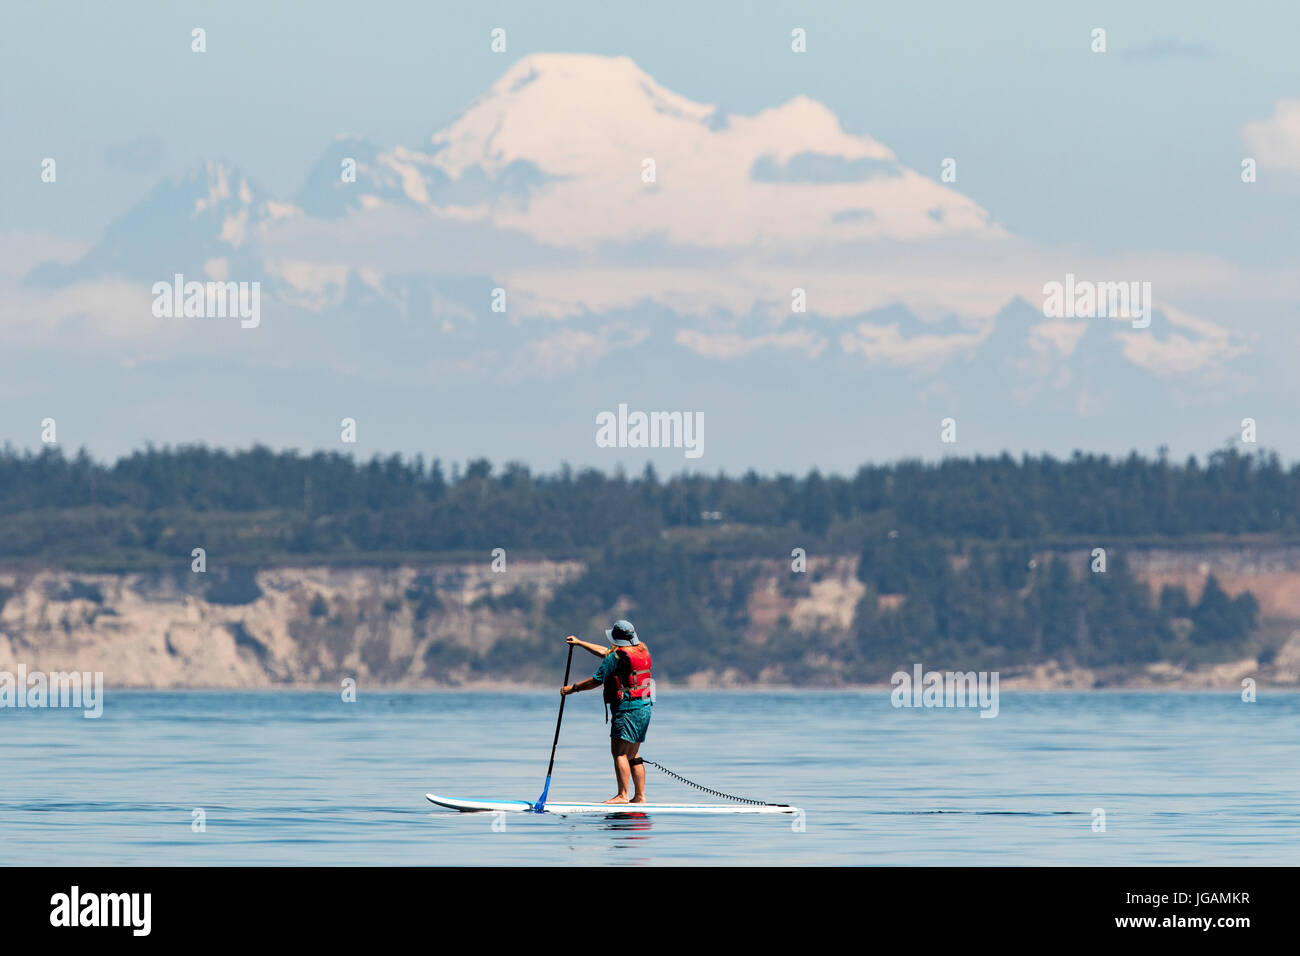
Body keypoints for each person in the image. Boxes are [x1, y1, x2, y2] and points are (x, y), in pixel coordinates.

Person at [560, 619, 653, 804]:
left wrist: (573, 688)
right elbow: (605, 652)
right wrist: (580, 643)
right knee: (633, 755)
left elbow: (597, 680)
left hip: (626, 709)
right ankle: (640, 796)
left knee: (619, 753)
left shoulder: (616, 657)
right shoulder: (641, 651)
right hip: (644, 707)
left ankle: (622, 795)